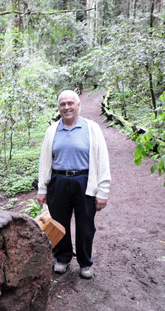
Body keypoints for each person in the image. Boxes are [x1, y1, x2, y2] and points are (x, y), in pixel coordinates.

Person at [36, 90, 111, 279]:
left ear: (78, 105)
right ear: (59, 108)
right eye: (63, 104)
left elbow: (102, 160)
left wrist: (102, 191)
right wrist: (42, 189)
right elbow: (45, 162)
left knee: (85, 225)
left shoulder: (91, 128)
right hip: (58, 182)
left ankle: (85, 263)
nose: (67, 107)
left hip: (84, 181)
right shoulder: (52, 130)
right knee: (59, 223)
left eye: (70, 103)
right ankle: (62, 258)